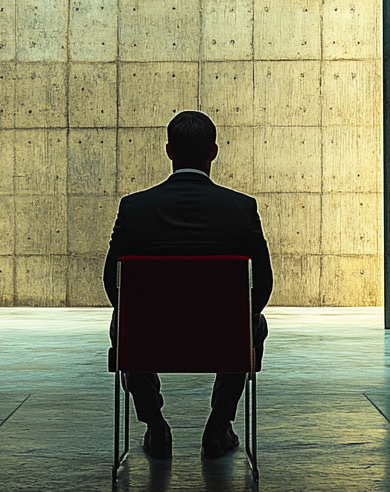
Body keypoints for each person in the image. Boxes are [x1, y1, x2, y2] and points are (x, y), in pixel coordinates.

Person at [102, 110, 273, 461]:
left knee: (126, 321)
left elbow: (111, 282)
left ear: (169, 151)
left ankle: (155, 425)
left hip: (149, 338)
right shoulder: (241, 208)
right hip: (223, 339)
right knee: (251, 321)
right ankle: (219, 425)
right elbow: (264, 284)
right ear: (213, 152)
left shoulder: (134, 208)